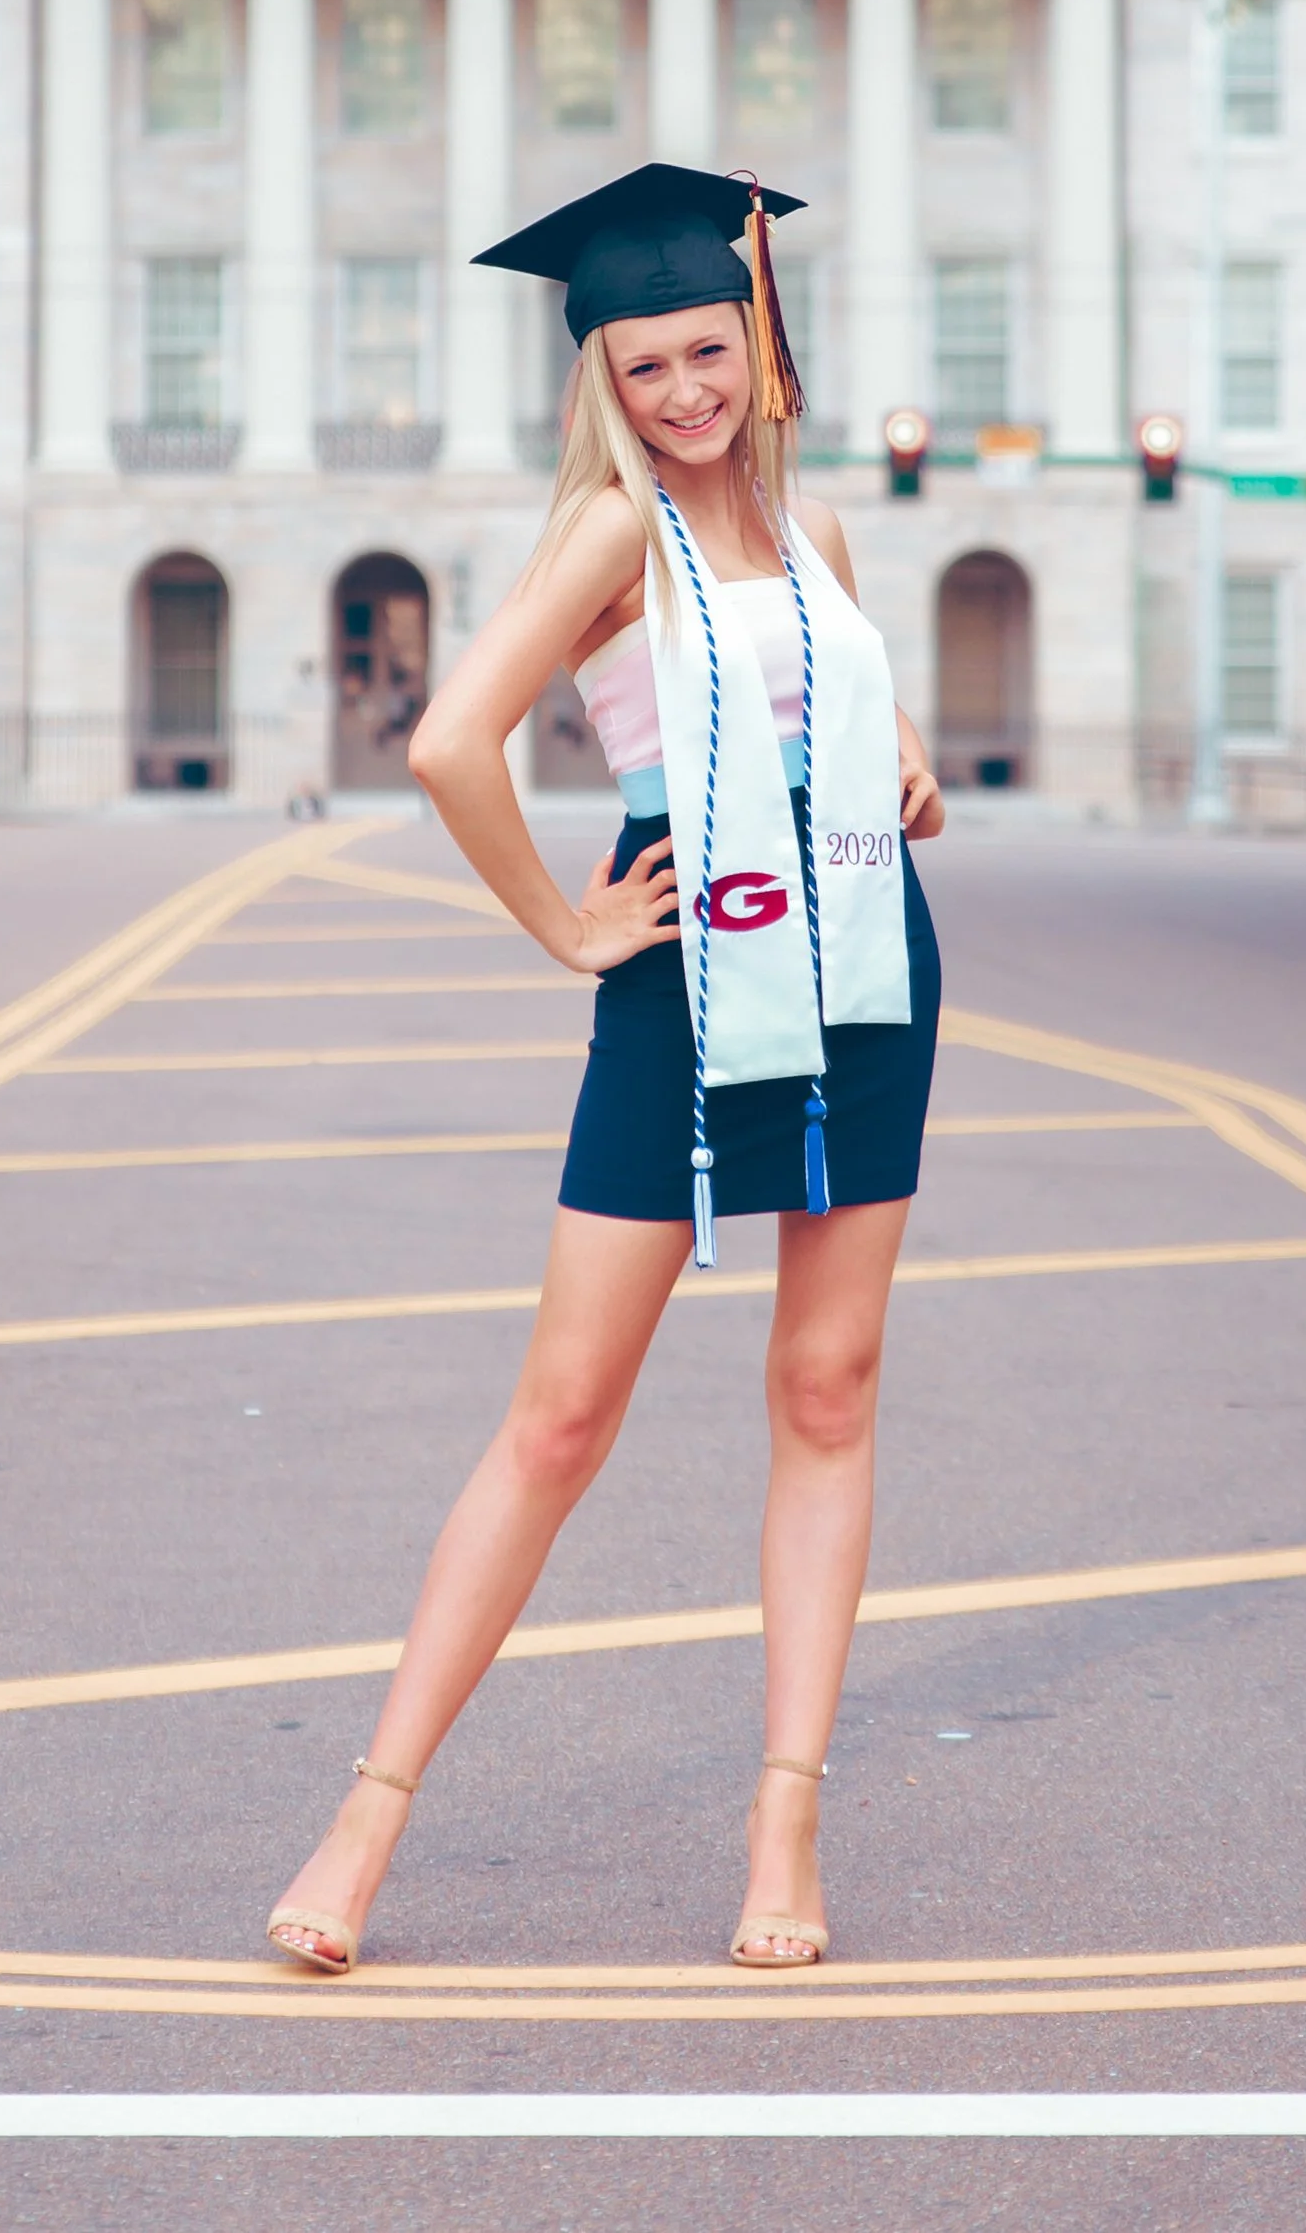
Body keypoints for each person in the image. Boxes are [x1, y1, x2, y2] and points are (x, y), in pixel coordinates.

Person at [266, 163, 946, 1977]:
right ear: (604, 381)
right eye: (643, 367)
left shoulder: (827, 548)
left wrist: (912, 776)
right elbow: (448, 739)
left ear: (761, 346)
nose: (684, 393)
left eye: (707, 352)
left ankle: (783, 1820)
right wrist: (566, 933)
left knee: (829, 1386)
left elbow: (881, 751)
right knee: (562, 1415)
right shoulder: (607, 539)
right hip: (690, 977)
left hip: (868, 973)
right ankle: (367, 1814)